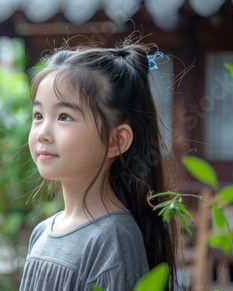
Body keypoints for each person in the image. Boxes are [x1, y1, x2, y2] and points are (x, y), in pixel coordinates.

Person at [20, 40, 181, 290]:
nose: (42, 133)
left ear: (116, 140)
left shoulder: (113, 239)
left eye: (64, 117)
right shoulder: (42, 232)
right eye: (38, 115)